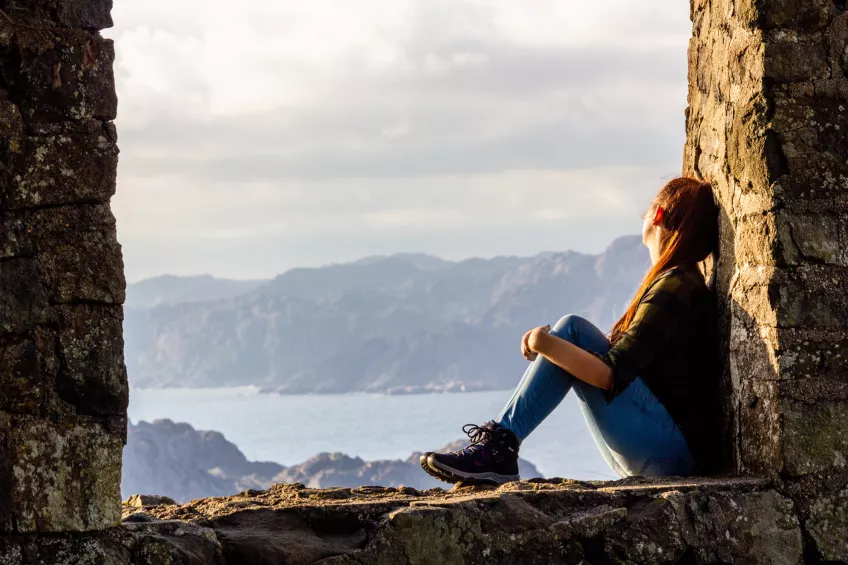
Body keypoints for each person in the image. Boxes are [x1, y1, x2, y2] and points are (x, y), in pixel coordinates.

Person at [420, 177, 721, 484]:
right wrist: (554, 345)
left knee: (573, 330)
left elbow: (609, 376)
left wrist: (544, 342)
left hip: (672, 455)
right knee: (570, 335)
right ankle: (501, 444)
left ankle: (501, 446)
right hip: (668, 450)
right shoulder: (680, 283)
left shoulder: (674, 288)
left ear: (657, 215)